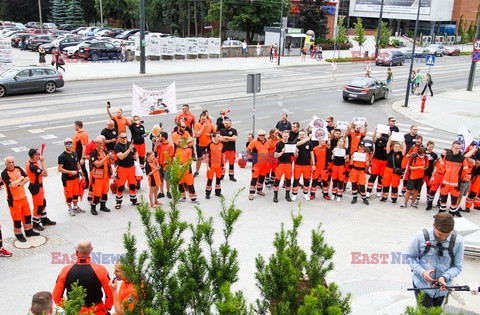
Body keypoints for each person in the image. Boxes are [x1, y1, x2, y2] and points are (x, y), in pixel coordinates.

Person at [406, 213, 464, 308]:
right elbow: (410, 257)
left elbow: (457, 266)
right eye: (440, 234)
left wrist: (445, 277)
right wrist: (423, 272)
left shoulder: (459, 241)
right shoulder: (419, 237)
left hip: (443, 289)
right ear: (433, 225)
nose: (443, 238)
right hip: (422, 286)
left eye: (447, 235)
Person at [53, 240, 113, 314]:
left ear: (76, 251)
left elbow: (56, 296)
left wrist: (69, 308)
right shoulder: (100, 270)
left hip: (76, 312)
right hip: (97, 311)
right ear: (91, 250)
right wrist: (107, 307)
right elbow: (110, 292)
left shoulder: (66, 270)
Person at [1, 156, 40, 242]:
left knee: (27, 215)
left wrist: (18, 182)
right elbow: (11, 185)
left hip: (23, 197)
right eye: (9, 162)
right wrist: (21, 179)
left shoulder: (18, 168)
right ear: (6, 164)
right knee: (17, 218)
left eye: (12, 162)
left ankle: (29, 231)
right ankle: (18, 234)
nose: (11, 164)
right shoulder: (4, 173)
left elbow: (27, 178)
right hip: (14, 200)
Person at [26, 148, 55, 230]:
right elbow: (45, 174)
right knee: (38, 205)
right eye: (37, 154)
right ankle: (35, 223)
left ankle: (44, 219)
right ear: (34, 156)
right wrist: (42, 162)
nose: (39, 155)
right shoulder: (33, 167)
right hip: (36, 187)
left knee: (43, 203)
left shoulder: (32, 162)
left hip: (38, 186)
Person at [439, 141, 470, 217]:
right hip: (445, 182)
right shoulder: (447, 156)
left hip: (455, 184)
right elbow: (442, 166)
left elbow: (466, 170)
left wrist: (461, 178)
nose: (457, 150)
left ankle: (451, 215)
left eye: (459, 148)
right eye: (456, 148)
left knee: (454, 201)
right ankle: (441, 214)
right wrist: (445, 174)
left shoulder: (462, 159)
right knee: (443, 199)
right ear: (452, 147)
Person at [58, 138, 85, 216]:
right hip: (67, 179)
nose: (69, 146)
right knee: (69, 194)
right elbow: (59, 168)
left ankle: (76, 207)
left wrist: (82, 174)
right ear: (64, 145)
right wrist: (69, 172)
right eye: (67, 144)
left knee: (75, 193)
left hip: (76, 177)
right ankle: (70, 208)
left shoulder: (75, 154)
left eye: (70, 144)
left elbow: (78, 164)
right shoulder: (62, 156)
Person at [114, 132, 140, 209]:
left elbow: (136, 152)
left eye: (125, 137)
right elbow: (121, 156)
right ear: (119, 138)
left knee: (132, 184)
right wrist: (129, 150)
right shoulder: (117, 146)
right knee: (120, 185)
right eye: (122, 138)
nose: (124, 139)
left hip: (131, 167)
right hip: (122, 168)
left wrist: (136, 156)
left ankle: (134, 200)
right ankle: (118, 202)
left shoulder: (130, 144)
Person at [90, 137, 114, 215]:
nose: (101, 144)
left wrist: (112, 158)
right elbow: (97, 164)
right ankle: (93, 207)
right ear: (96, 144)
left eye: (102, 143)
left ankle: (103, 206)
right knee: (97, 193)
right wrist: (106, 158)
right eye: (100, 143)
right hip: (98, 178)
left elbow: (111, 162)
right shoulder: (94, 153)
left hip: (106, 176)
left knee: (105, 192)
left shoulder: (104, 151)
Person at [246, 130, 270, 200]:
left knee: (262, 177)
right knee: (254, 178)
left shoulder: (268, 141)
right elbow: (248, 150)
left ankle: (259, 190)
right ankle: (251, 193)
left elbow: (269, 149)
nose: (261, 137)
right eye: (260, 135)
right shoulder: (253, 142)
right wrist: (253, 156)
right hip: (257, 163)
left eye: (263, 135)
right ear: (258, 135)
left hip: (265, 163)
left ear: (265, 135)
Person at [292, 130, 314, 201]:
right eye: (300, 134)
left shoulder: (309, 143)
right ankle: (294, 194)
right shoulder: (297, 141)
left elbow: (311, 153)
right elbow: (298, 144)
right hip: (298, 164)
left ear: (305, 135)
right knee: (296, 180)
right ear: (299, 135)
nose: (302, 136)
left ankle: (305, 194)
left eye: (303, 134)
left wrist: (313, 164)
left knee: (306, 180)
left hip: (307, 165)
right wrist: (308, 138)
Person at [176, 137, 199, 204]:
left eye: (180, 142)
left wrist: (182, 166)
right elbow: (175, 158)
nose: (178, 143)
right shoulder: (177, 149)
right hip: (179, 169)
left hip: (187, 170)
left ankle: (193, 198)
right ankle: (182, 197)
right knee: (180, 184)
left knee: (190, 184)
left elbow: (190, 161)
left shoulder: (189, 150)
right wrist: (178, 165)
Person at [273, 131, 294, 203]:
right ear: (282, 136)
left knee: (288, 180)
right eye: (284, 136)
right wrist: (282, 152)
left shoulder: (291, 144)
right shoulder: (279, 144)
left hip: (288, 164)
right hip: (281, 164)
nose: (285, 137)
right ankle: (275, 196)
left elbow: (295, 155)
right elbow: (275, 155)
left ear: (288, 136)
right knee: (277, 180)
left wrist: (296, 151)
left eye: (286, 136)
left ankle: (287, 195)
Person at [154, 131, 174, 199]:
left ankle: (168, 191)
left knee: (167, 179)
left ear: (163, 137)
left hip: (166, 166)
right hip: (159, 164)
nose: (159, 138)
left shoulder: (170, 146)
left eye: (160, 136)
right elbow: (155, 150)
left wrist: (167, 166)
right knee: (160, 179)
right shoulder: (160, 144)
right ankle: (161, 192)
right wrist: (156, 143)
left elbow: (171, 157)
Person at [205, 133, 224, 199]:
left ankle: (218, 192)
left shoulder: (221, 145)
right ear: (214, 137)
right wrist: (207, 166)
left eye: (219, 137)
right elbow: (207, 156)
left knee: (218, 180)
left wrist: (223, 165)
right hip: (211, 166)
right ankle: (208, 193)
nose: (219, 138)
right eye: (218, 137)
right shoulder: (209, 145)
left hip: (219, 166)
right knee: (210, 180)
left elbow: (223, 155)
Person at [73, 120, 90, 188]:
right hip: (75, 154)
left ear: (77, 126)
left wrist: (82, 158)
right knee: (78, 169)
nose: (74, 127)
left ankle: (86, 183)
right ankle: (82, 181)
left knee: (82, 169)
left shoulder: (83, 134)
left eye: (75, 125)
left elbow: (84, 147)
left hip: (79, 155)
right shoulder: (77, 133)